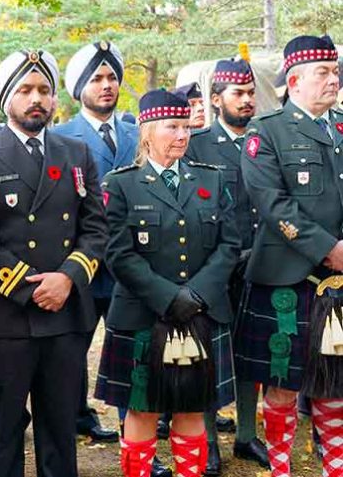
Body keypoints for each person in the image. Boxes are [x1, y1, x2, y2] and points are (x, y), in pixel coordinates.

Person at [0, 49, 107, 477]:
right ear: (6, 100)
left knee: (60, 432)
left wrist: (68, 278)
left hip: (65, 316)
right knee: (1, 432)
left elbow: (96, 229)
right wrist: (31, 288)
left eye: (44, 90)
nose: (36, 98)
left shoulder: (76, 153)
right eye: (25, 90)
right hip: (4, 318)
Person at [95, 89, 240, 477]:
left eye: (187, 127)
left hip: (202, 311)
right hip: (143, 315)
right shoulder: (120, 184)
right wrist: (168, 297)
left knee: (192, 406)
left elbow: (230, 243)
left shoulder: (211, 178)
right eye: (171, 126)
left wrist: (195, 295)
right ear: (146, 130)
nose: (182, 135)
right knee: (142, 409)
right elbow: (118, 253)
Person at [236, 34, 342, 477]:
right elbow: (271, 202)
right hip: (286, 279)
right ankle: (280, 468)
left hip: (338, 283)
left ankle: (334, 467)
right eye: (323, 72)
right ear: (294, 81)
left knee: (335, 385)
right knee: (280, 385)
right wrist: (329, 249)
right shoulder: (267, 130)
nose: (333, 80)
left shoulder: (340, 128)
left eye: (335, 72)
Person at [185, 58, 268, 474]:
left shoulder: (266, 138)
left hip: (263, 263)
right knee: (209, 358)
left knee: (252, 354)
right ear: (216, 99)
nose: (248, 100)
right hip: (215, 268)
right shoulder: (197, 144)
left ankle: (247, 435)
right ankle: (208, 441)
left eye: (251, 92)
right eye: (239, 93)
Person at [53, 41, 137, 444]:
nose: (107, 86)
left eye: (112, 78)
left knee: (130, 355)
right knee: (69, 357)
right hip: (82, 267)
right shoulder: (58, 137)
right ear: (78, 88)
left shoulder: (138, 133)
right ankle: (67, 429)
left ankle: (133, 438)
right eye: (97, 79)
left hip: (130, 267)